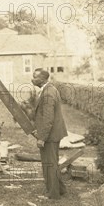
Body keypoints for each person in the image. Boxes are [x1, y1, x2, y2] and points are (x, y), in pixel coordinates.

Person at [31, 68, 68, 199]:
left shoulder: (47, 93)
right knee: (52, 162)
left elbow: (48, 118)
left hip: (50, 136)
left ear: (43, 79)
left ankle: (52, 194)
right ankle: (60, 189)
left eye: (35, 77)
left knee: (49, 164)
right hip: (53, 134)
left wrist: (42, 138)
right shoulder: (49, 89)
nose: (32, 79)